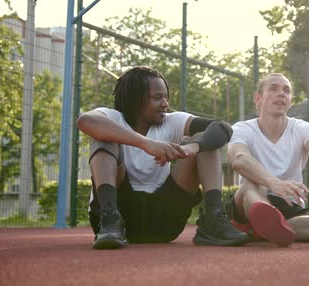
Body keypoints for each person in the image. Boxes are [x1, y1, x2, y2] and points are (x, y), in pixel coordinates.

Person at [77, 66, 250, 249]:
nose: (165, 103)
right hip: (119, 220)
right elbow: (85, 121)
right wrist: (146, 143)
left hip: (165, 220)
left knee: (205, 139)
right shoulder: (112, 117)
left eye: (166, 96)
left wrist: (193, 147)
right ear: (136, 99)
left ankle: (214, 218)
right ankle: (109, 216)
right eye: (157, 97)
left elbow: (222, 127)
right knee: (103, 138)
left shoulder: (171, 121)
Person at [226, 73, 309, 246]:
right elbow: (239, 159)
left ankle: (264, 229)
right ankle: (263, 220)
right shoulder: (242, 129)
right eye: (273, 88)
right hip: (250, 202)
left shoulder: (302, 128)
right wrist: (273, 182)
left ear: (290, 101)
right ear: (258, 98)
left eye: (286, 90)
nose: (281, 93)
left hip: (290, 208)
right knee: (251, 185)